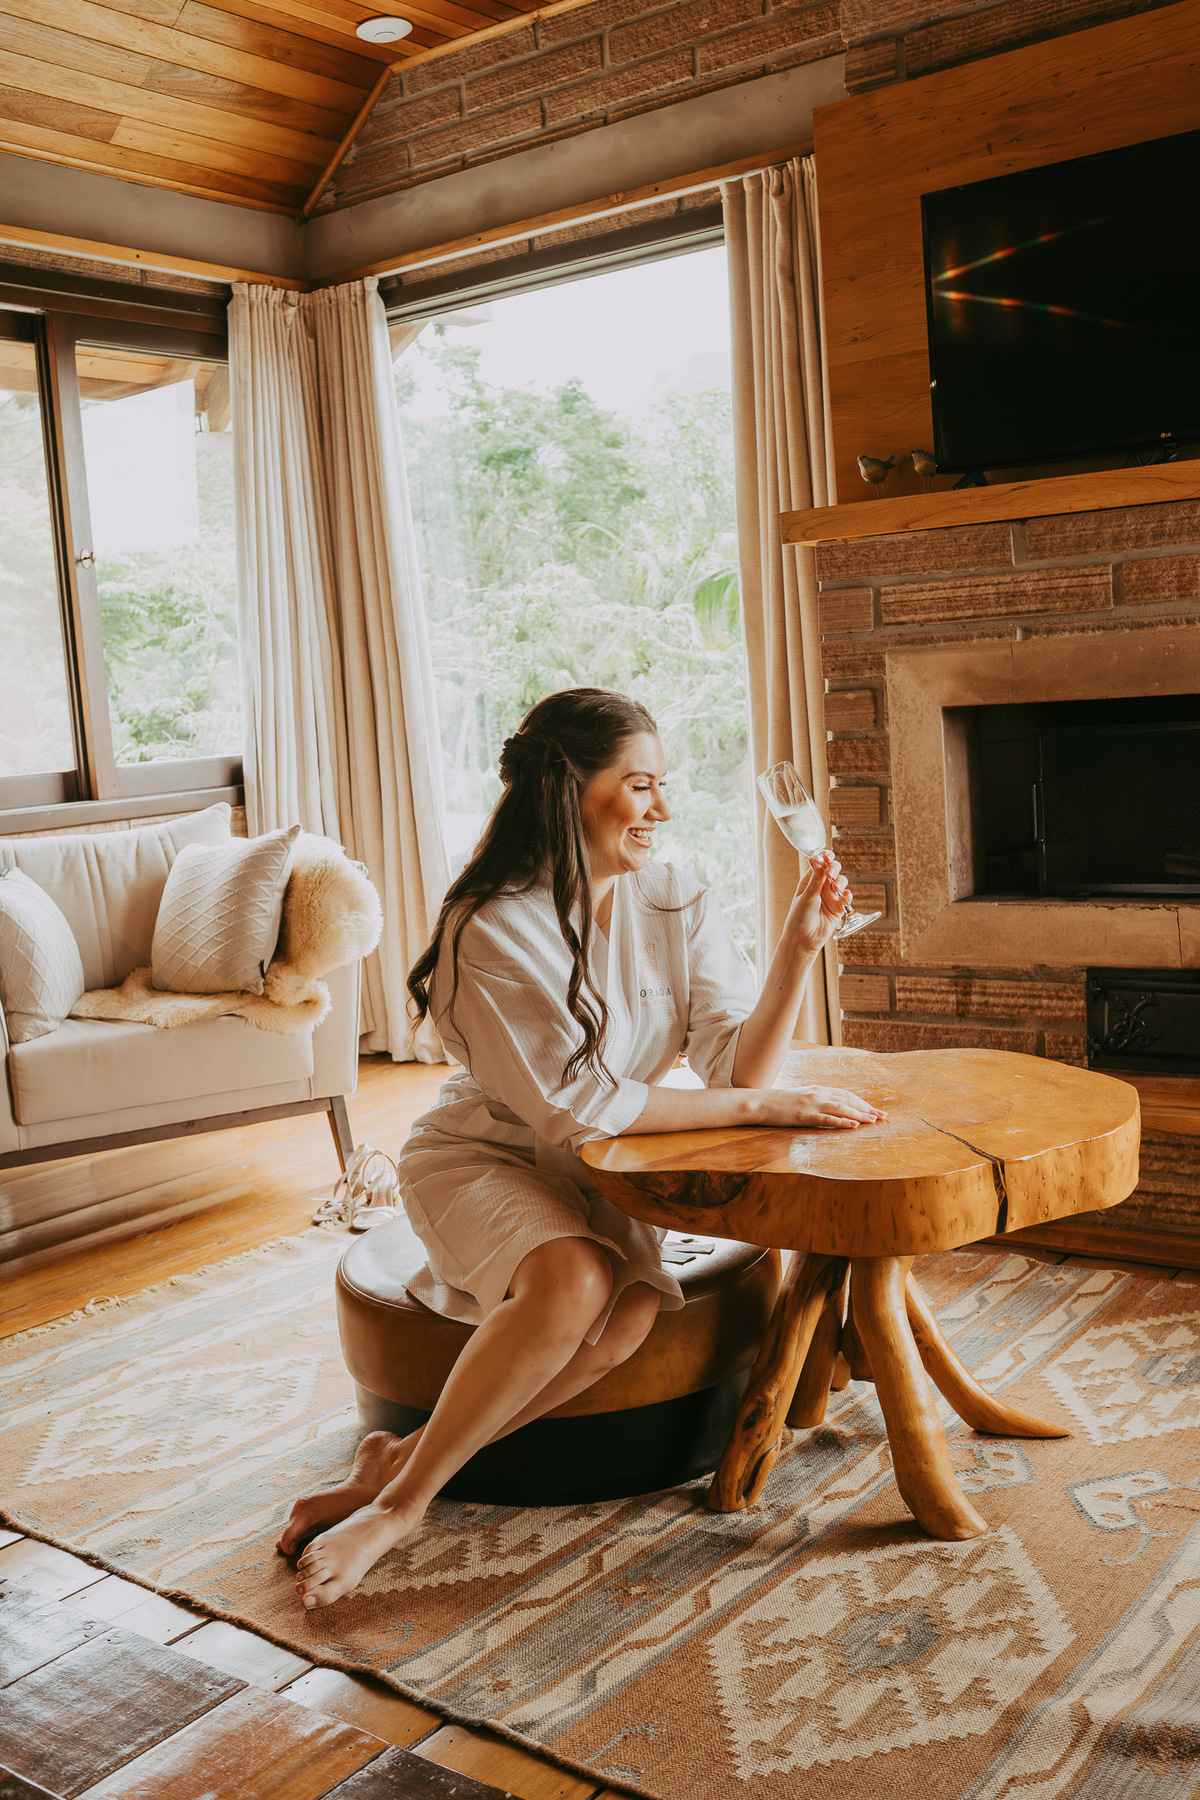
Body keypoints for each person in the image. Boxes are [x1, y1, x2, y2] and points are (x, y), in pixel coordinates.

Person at [278, 687, 885, 1608]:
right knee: (575, 1283)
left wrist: (799, 949)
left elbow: (733, 1064)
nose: (662, 811)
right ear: (570, 793)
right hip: (487, 1158)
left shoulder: (675, 894)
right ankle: (400, 1508)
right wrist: (780, 1103)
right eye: (639, 786)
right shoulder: (491, 926)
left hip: (604, 1163)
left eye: (662, 786)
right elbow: (584, 1107)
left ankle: (393, 1462)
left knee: (626, 1319)